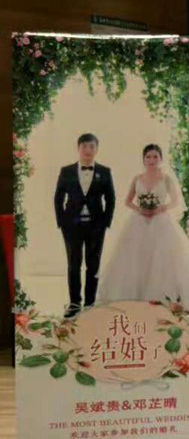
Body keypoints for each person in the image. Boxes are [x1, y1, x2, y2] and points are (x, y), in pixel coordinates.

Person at [95, 144, 189, 305]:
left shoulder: (166, 179)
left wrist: (162, 208)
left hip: (161, 220)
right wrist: (140, 209)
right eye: (148, 157)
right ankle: (135, 292)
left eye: (155, 156)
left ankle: (164, 293)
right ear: (143, 159)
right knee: (134, 256)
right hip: (138, 221)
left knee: (162, 256)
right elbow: (127, 201)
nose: (151, 160)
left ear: (161, 159)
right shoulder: (137, 178)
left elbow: (176, 201)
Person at [53, 133, 115, 317]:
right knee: (73, 264)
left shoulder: (104, 171)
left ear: (97, 149)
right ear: (78, 148)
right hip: (72, 226)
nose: (88, 150)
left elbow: (111, 199)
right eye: (84, 146)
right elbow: (58, 198)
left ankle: (89, 304)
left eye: (91, 146)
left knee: (93, 265)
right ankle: (74, 303)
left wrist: (105, 223)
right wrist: (62, 222)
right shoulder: (66, 171)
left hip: (96, 226)